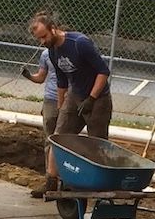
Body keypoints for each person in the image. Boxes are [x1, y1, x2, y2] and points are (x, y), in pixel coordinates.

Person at [28, 9, 113, 145]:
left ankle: (96, 165)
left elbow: (103, 72)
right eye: (39, 38)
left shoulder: (79, 43)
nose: (42, 41)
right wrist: (61, 107)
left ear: (53, 29)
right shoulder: (52, 51)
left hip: (98, 99)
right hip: (75, 94)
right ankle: (53, 167)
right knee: (58, 140)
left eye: (44, 36)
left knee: (97, 144)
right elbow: (62, 82)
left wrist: (91, 99)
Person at [20, 43, 61, 199]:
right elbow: (41, 77)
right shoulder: (46, 54)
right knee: (50, 139)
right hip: (51, 99)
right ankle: (50, 180)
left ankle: (65, 180)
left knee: (65, 139)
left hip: (70, 100)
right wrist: (29, 75)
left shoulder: (71, 54)